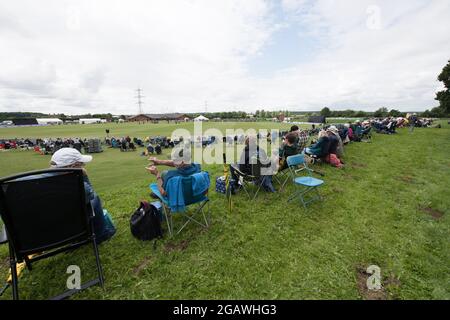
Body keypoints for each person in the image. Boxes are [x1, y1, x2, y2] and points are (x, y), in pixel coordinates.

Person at [50, 148, 116, 244]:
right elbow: (90, 194)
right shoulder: (77, 187)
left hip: (52, 232)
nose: (83, 166)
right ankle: (101, 235)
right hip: (71, 223)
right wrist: (84, 176)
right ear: (74, 166)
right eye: (81, 164)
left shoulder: (31, 184)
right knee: (95, 199)